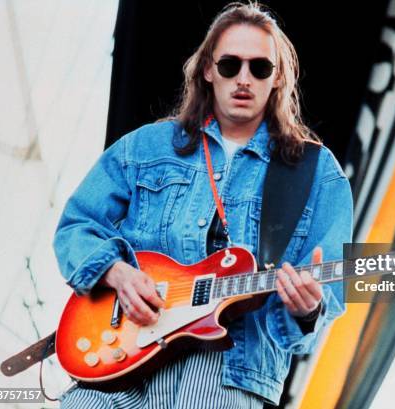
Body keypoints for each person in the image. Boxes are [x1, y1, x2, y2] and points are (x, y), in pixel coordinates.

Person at [54, 3, 353, 408]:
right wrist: (118, 273)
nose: (243, 79)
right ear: (208, 70)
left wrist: (308, 309)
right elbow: (76, 226)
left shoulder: (317, 173)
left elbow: (322, 303)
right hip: (118, 363)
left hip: (229, 379)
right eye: (230, 65)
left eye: (260, 68)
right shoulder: (146, 147)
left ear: (278, 77)